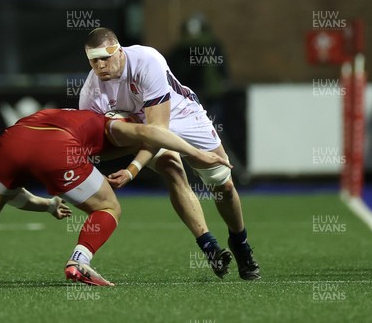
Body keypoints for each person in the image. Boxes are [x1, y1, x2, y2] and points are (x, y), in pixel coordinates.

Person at [0, 108, 232, 286]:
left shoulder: (73, 113)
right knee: (108, 207)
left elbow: (11, 195)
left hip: (12, 139)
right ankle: (78, 261)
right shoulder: (112, 123)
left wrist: (47, 206)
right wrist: (195, 153)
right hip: (57, 147)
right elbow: (149, 133)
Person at [79, 27, 260, 280]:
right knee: (172, 169)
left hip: (181, 113)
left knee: (223, 184)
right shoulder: (91, 93)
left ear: (119, 52)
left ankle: (239, 241)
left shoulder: (146, 61)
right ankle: (208, 246)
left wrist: (132, 170)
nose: (100, 66)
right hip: (143, 125)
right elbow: (96, 146)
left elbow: (159, 129)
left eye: (105, 58)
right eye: (93, 61)